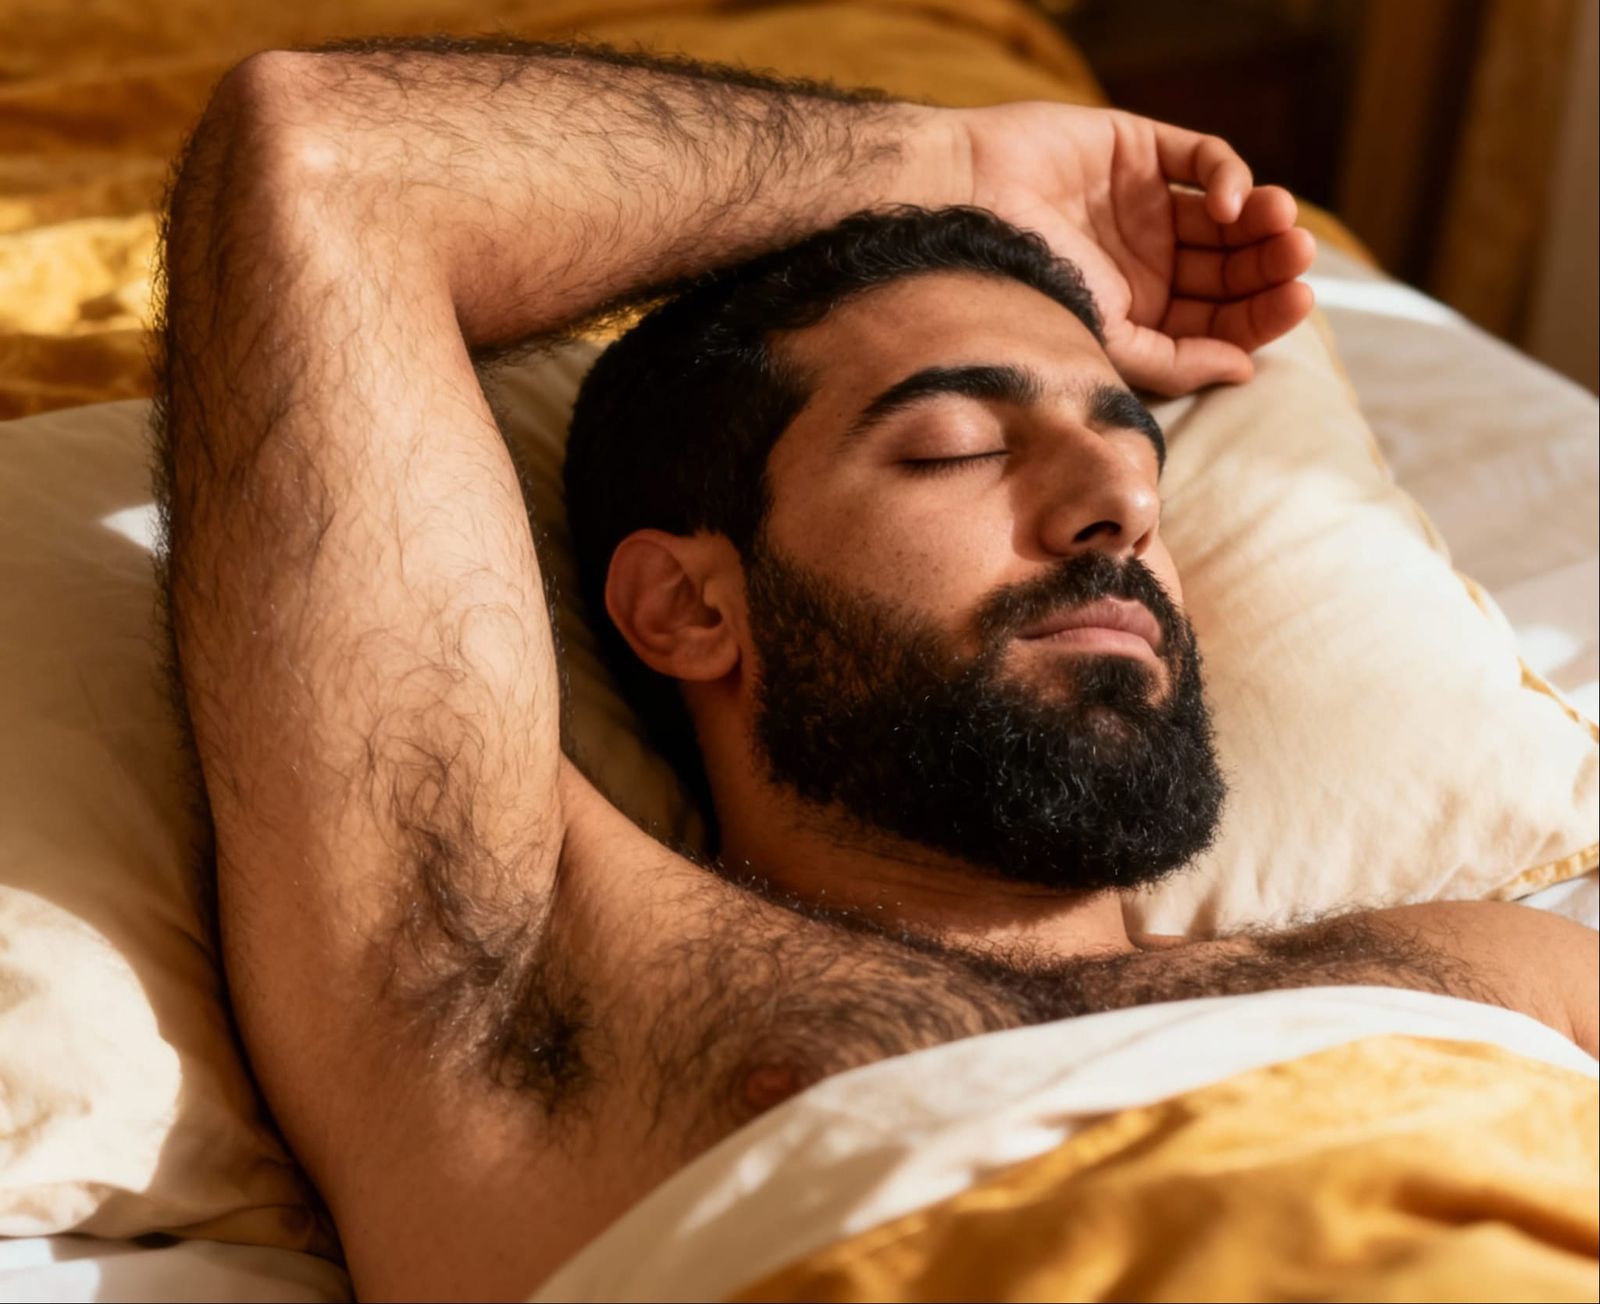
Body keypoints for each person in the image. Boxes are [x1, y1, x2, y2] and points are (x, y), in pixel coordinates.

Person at [152, 39, 1598, 1302]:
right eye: (956, 445)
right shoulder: (528, 994)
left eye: (1130, 454)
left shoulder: (1489, 966)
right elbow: (326, 164)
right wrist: (953, 159)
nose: (1119, 509)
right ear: (687, 607)